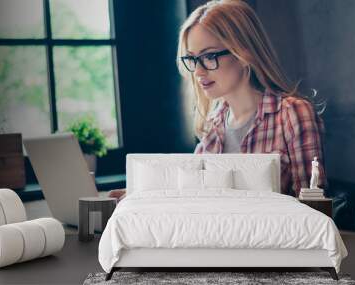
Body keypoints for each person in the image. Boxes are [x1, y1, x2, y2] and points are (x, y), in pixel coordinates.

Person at [110, 0, 327, 200]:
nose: (198, 71)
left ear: (243, 53)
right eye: (192, 59)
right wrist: (137, 195)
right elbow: (189, 189)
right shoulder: (214, 124)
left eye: (209, 56)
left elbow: (313, 206)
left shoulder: (292, 114)